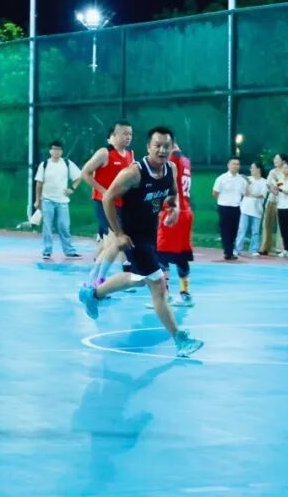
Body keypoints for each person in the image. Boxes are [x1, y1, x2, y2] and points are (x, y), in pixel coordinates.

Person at [78, 126, 203, 358]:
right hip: (132, 235)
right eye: (157, 146)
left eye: (166, 146)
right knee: (158, 284)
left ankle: (93, 294)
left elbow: (172, 192)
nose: (162, 150)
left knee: (138, 279)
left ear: (172, 148)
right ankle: (180, 339)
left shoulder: (171, 169)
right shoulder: (134, 173)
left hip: (150, 233)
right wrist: (119, 234)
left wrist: (173, 208)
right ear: (148, 147)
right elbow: (107, 198)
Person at [80, 120, 134, 286]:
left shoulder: (130, 155)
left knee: (109, 244)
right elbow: (85, 173)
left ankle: (94, 279)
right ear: (114, 135)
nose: (128, 137)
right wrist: (104, 192)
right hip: (103, 203)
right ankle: (98, 280)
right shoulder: (104, 153)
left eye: (130, 134)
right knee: (115, 241)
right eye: (124, 134)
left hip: (121, 205)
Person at [154, 142, 195, 307]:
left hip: (173, 212)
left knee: (161, 255)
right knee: (181, 256)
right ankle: (185, 294)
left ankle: (164, 295)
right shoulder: (186, 161)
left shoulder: (170, 161)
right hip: (186, 212)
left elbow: (169, 186)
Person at [34, 140, 83, 260]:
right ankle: (47, 251)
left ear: (62, 151)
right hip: (47, 200)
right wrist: (37, 200)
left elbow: (79, 176)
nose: (56, 151)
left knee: (64, 226)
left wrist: (72, 188)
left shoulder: (67, 163)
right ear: (50, 150)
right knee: (47, 226)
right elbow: (39, 184)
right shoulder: (44, 164)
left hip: (63, 201)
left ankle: (69, 251)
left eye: (59, 149)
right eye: (54, 149)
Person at [212, 157, 247, 260]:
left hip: (236, 207)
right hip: (224, 207)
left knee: (234, 230)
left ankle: (230, 250)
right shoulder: (221, 178)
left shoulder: (241, 180)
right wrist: (222, 201)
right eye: (233, 164)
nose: (235, 166)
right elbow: (215, 193)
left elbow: (243, 193)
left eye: (237, 164)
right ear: (228, 165)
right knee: (225, 229)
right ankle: (228, 252)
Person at [235, 162, 267, 257]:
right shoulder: (247, 179)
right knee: (242, 229)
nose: (251, 169)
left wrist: (252, 195)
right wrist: (248, 183)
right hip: (245, 208)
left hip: (257, 210)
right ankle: (237, 249)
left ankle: (254, 249)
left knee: (255, 231)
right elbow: (245, 193)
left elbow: (262, 195)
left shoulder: (264, 182)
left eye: (253, 168)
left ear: (258, 169)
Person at [258, 153, 287, 256]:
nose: (275, 160)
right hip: (271, 200)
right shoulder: (272, 171)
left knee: (281, 226)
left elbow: (283, 186)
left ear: (283, 161)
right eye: (274, 158)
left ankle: (280, 249)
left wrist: (276, 185)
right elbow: (268, 184)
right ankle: (264, 248)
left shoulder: (286, 172)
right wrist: (273, 188)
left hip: (282, 202)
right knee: (266, 224)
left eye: (277, 159)